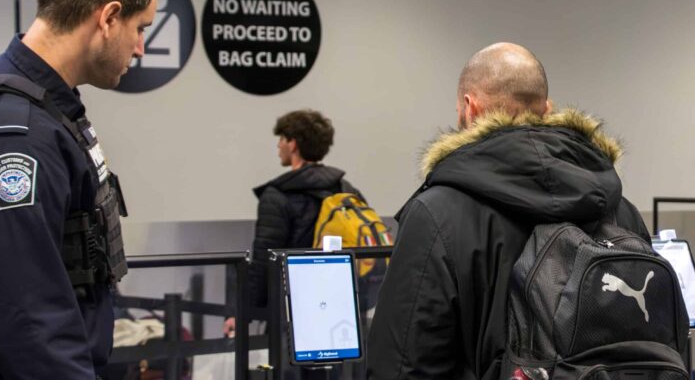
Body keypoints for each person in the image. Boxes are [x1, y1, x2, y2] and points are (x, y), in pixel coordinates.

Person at [366, 42, 650, 379]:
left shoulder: (435, 215)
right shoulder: (620, 211)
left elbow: (402, 365)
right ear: (547, 109)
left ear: (469, 108)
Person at [0, 0, 162, 378]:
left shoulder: (48, 110)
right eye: (140, 28)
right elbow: (30, 321)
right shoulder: (15, 136)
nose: (140, 48)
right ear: (108, 18)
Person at [223, 110, 363, 335]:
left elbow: (264, 260)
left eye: (282, 138)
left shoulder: (277, 195)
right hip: (338, 304)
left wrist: (245, 311)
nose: (278, 145)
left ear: (293, 144)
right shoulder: (345, 189)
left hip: (292, 310)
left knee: (285, 358)